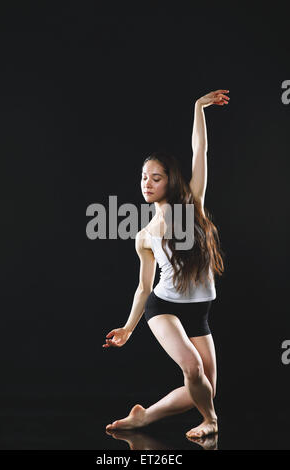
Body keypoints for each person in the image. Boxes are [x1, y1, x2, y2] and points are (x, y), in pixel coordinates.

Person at [102, 89, 229, 439]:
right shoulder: (143, 234)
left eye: (155, 178)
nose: (147, 183)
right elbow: (144, 287)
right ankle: (212, 421)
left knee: (204, 388)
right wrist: (128, 328)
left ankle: (144, 417)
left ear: (170, 180)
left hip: (199, 309)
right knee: (192, 369)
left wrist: (198, 108)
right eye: (144, 177)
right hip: (163, 307)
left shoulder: (194, 207)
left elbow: (199, 150)